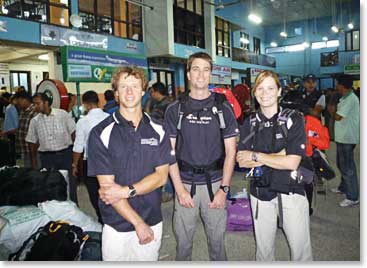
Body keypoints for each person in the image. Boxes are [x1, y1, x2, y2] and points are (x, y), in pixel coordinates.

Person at [87, 66, 174, 261]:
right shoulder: (100, 133)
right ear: (116, 93)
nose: (129, 91)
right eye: (123, 86)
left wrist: (127, 191)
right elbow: (108, 189)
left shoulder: (159, 130)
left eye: (134, 86)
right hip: (115, 224)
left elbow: (161, 177)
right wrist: (138, 223)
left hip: (152, 219)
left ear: (143, 91)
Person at [164, 52, 238, 261]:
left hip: (215, 185)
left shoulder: (223, 108)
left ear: (211, 74)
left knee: (217, 243)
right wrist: (179, 189)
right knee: (183, 244)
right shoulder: (175, 109)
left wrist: (224, 189)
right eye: (195, 69)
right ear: (188, 73)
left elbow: (231, 151)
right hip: (185, 185)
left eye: (206, 69)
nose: (200, 74)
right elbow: (169, 152)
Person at [237, 70, 312, 261]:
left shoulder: (294, 119)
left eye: (270, 88)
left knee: (300, 253)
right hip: (260, 194)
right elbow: (241, 160)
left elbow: (292, 162)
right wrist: (278, 155)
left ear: (279, 91)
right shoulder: (250, 123)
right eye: (260, 89)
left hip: (291, 193)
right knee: (263, 253)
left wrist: (256, 155)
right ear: (254, 93)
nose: (265, 93)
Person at [25, 93, 77, 203]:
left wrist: (75, 157)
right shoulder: (34, 121)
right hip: (47, 158)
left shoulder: (62, 115)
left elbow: (74, 134)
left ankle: (73, 207)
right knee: (49, 185)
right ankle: (55, 211)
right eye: (34, 104)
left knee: (69, 184)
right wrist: (34, 161)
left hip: (65, 155)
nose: (35, 106)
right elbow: (32, 142)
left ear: (46, 103)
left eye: (37, 103)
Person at [72, 90, 109, 224]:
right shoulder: (109, 117)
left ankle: (101, 218)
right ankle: (111, 217)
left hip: (91, 163)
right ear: (98, 102)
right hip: (109, 161)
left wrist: (74, 164)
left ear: (86, 105)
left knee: (95, 193)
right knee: (109, 189)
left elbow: (78, 146)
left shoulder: (83, 122)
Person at [327, 75, 359, 207]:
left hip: (347, 138)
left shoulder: (351, 99)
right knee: (341, 164)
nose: (336, 86)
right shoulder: (344, 97)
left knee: (348, 167)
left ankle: (353, 196)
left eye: (337, 84)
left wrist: (331, 111)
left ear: (342, 85)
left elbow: (339, 116)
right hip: (342, 137)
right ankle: (344, 187)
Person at [149, 81, 174, 202]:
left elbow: (152, 123)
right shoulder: (172, 102)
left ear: (156, 92)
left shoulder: (160, 106)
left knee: (165, 165)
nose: (151, 95)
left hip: (164, 140)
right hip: (174, 139)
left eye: (152, 92)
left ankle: (169, 191)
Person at [14, 91, 38, 168]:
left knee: (35, 173)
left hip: (33, 151)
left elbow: (37, 133)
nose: (17, 104)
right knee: (28, 174)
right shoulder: (22, 112)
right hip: (25, 150)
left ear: (24, 100)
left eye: (18, 102)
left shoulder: (34, 112)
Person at [0, 94, 18, 166]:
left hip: (8, 130)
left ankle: (11, 163)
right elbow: (15, 120)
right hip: (12, 130)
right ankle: (12, 164)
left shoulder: (8, 107)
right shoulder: (12, 108)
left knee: (10, 148)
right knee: (12, 148)